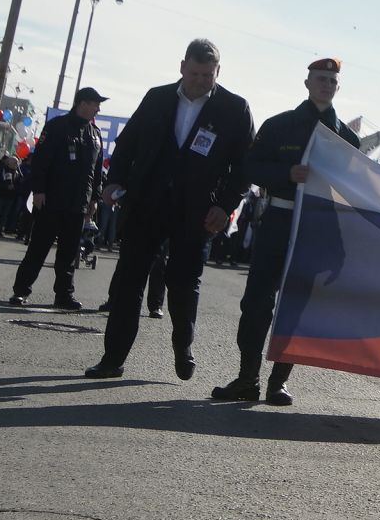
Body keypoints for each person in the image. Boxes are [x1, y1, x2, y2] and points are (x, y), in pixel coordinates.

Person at [84, 39, 255, 383]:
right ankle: (113, 358)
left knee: (183, 283)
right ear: (182, 67)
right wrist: (113, 181)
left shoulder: (235, 109)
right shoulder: (157, 97)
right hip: (146, 203)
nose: (202, 81)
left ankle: (183, 346)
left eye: (209, 75)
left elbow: (244, 166)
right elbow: (127, 143)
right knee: (129, 281)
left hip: (198, 212)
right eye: (195, 73)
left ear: (218, 72)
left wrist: (225, 205)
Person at [212, 58, 361, 407]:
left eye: (332, 81)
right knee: (256, 303)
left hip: (317, 228)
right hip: (278, 221)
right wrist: (285, 173)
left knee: (297, 307)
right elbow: (251, 166)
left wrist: (339, 248)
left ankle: (278, 383)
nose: (326, 85)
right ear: (307, 83)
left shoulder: (347, 138)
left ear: (338, 87)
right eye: (320, 79)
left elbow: (352, 191)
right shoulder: (279, 126)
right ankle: (247, 378)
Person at [9, 87, 106, 309]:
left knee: (69, 253)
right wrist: (39, 191)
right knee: (38, 248)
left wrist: (94, 199)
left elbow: (97, 171)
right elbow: (41, 162)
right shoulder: (57, 127)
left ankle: (64, 295)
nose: (98, 109)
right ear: (82, 104)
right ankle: (21, 291)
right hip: (52, 200)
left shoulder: (95, 134)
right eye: (95, 104)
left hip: (78, 203)